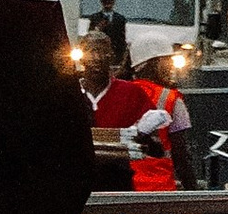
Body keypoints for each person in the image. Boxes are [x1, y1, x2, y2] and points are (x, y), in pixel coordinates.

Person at [79, 23, 188, 192]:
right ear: (80, 56)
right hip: (78, 185)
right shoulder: (67, 94)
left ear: (112, 55)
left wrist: (143, 138)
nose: (97, 57)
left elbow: (158, 147)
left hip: (120, 184)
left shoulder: (132, 93)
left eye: (102, 51)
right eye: (91, 51)